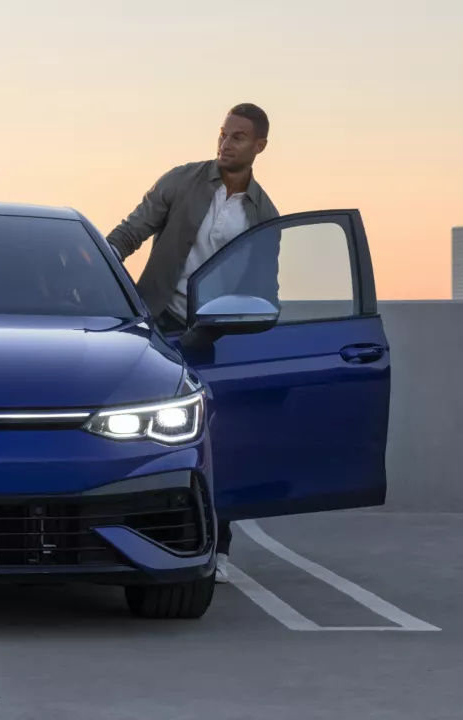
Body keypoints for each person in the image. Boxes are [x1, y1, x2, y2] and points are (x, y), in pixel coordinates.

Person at [105, 103, 280, 583]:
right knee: (139, 427)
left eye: (239, 137)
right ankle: (129, 530)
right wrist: (95, 274)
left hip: (216, 333)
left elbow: (266, 284)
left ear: (260, 146)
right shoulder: (180, 181)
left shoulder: (266, 215)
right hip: (156, 325)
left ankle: (217, 548)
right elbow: (130, 232)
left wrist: (263, 339)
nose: (227, 143)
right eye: (223, 134)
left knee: (218, 439)